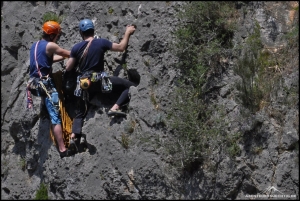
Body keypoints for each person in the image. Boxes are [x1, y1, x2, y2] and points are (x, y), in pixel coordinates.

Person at [65, 19, 136, 144]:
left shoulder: (76, 48)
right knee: (130, 87)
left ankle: (74, 136)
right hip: (100, 82)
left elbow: (68, 67)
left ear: (81, 33)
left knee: (80, 110)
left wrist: (73, 57)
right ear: (93, 30)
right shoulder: (101, 42)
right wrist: (128, 32)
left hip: (84, 85)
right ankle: (115, 107)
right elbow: (121, 47)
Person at [27, 21, 72, 158]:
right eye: (57, 35)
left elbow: (48, 60)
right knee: (56, 117)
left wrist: (64, 56)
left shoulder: (35, 45)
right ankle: (63, 149)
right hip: (45, 85)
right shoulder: (51, 45)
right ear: (52, 35)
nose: (57, 37)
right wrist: (79, 51)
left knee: (49, 106)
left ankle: (44, 105)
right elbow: (67, 53)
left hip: (34, 84)